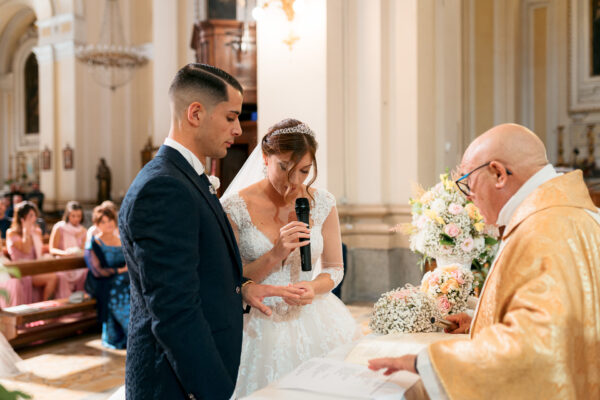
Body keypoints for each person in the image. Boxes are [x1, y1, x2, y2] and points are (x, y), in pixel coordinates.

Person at [369, 123, 600, 399]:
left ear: (498, 174)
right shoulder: (570, 215)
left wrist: (425, 363)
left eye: (468, 183)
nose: (468, 197)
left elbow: (535, 348)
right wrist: (481, 320)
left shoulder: (543, 231)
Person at [118, 63, 303, 400]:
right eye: (231, 117)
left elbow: (199, 270)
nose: (238, 129)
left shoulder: (186, 178)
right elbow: (175, 311)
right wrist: (215, 392)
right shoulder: (163, 188)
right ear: (196, 113)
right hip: (177, 384)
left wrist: (243, 287)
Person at [221, 118, 359, 396]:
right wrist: (276, 253)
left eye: (304, 171)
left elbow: (334, 268)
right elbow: (230, 278)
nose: (294, 181)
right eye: (284, 167)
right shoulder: (234, 207)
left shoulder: (323, 203)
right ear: (265, 157)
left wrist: (313, 287)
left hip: (315, 319)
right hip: (257, 323)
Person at [84, 205, 129, 349]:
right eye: (103, 222)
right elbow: (97, 271)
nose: (108, 224)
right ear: (97, 225)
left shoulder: (121, 239)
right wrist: (120, 270)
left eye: (109, 220)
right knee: (120, 288)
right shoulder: (95, 243)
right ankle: (131, 333)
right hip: (106, 283)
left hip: (126, 281)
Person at [4, 201, 58, 306]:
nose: (34, 219)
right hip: (21, 270)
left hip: (34, 266)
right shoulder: (11, 233)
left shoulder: (37, 231)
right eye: (31, 216)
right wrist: (26, 231)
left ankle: (46, 307)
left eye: (34, 215)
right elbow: (26, 249)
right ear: (22, 218)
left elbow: (39, 251)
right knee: (52, 277)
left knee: (58, 274)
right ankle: (45, 308)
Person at [49, 201, 88, 294]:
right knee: (61, 276)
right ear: (68, 215)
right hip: (62, 263)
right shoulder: (59, 228)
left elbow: (84, 250)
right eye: (73, 216)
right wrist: (66, 253)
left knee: (86, 272)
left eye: (79, 216)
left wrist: (79, 252)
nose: (76, 219)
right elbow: (52, 249)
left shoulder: (83, 231)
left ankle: (81, 299)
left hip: (76, 264)